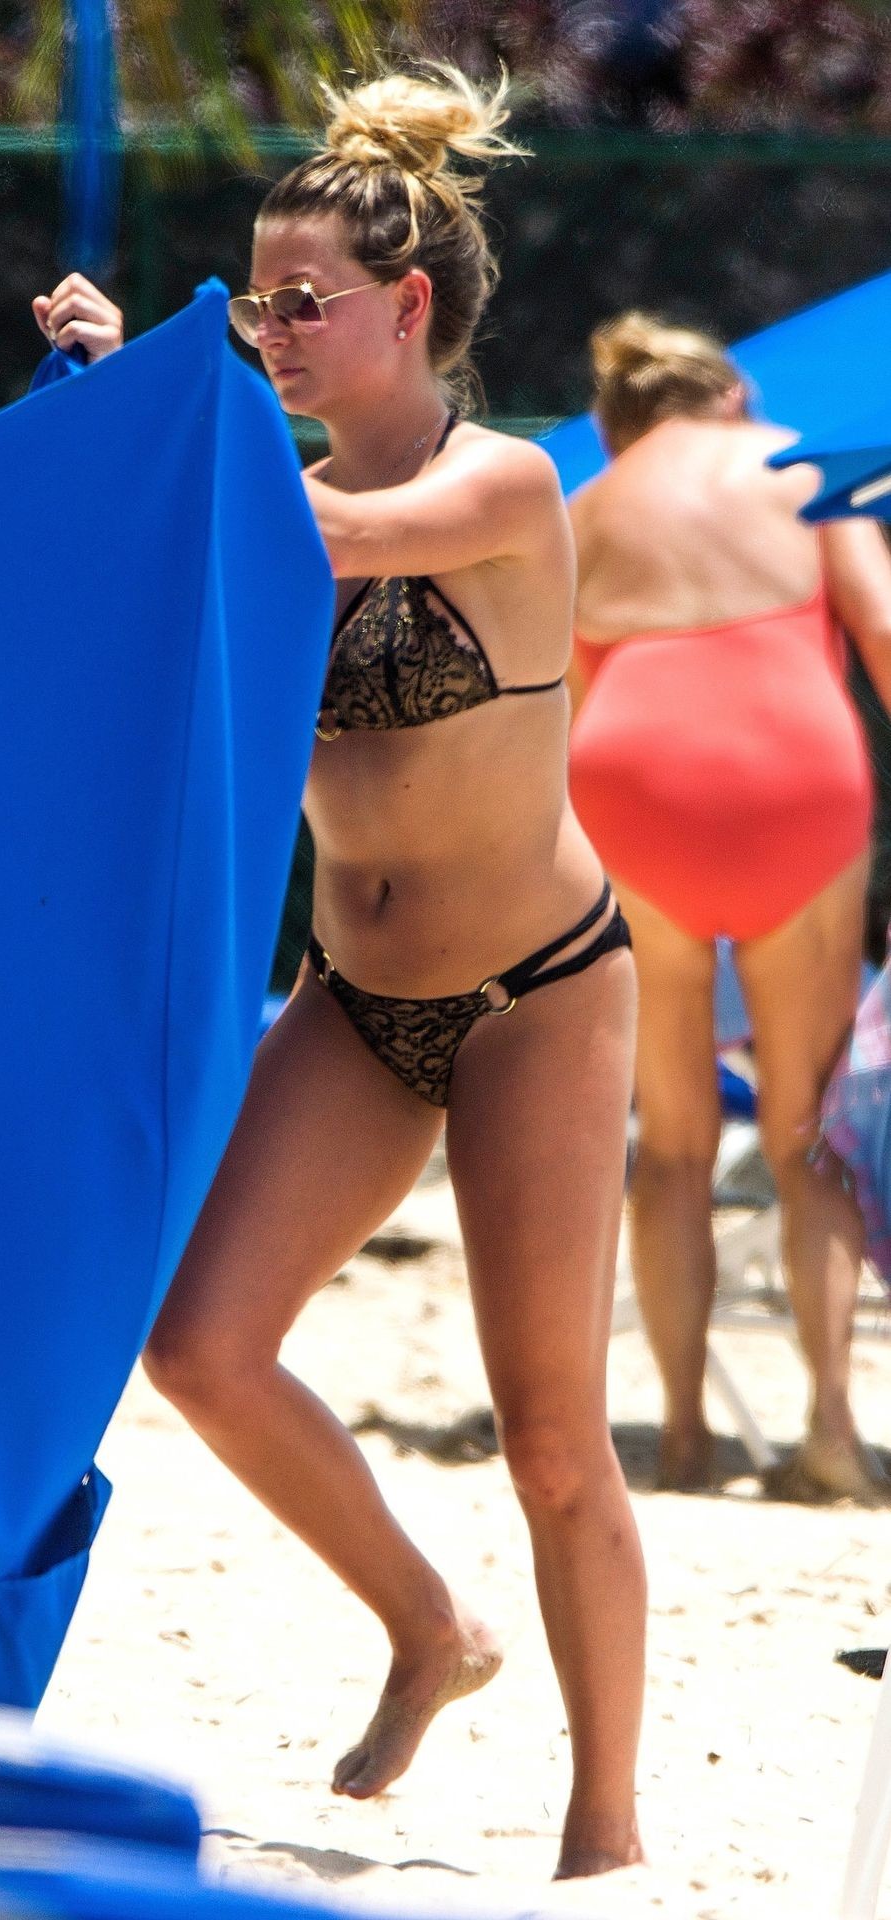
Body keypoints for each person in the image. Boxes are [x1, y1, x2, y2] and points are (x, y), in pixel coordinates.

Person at [34, 66, 645, 1881]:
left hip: (539, 990)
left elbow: (301, 540)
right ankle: (427, 1626)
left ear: (409, 306)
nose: (273, 331)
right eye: (254, 305)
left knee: (551, 1441)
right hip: (360, 1001)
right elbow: (121, 620)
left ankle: (607, 1833)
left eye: (302, 303)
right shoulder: (267, 486)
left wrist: (159, 387)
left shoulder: (502, 486)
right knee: (202, 1350)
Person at [568, 313, 891, 1503]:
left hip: (633, 786)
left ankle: (682, 1438)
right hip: (792, 776)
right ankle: (828, 1427)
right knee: (805, 1132)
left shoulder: (583, 506)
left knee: (670, 1144)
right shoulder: (798, 466)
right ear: (731, 397)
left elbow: (556, 693)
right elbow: (881, 627)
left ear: (619, 426)